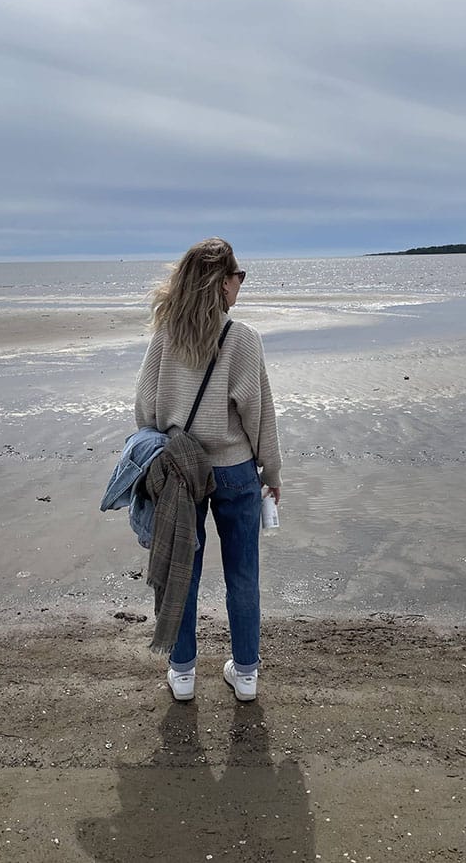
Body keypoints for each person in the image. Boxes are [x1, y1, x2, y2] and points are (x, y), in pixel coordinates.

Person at [135, 237, 282, 702]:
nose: (240, 285)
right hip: (236, 470)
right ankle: (246, 675)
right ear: (221, 284)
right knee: (242, 574)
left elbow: (144, 408)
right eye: (237, 277)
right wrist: (272, 474)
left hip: (181, 472)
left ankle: (182, 673)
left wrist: (175, 435)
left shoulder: (165, 335)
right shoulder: (242, 339)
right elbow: (259, 415)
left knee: (184, 569)